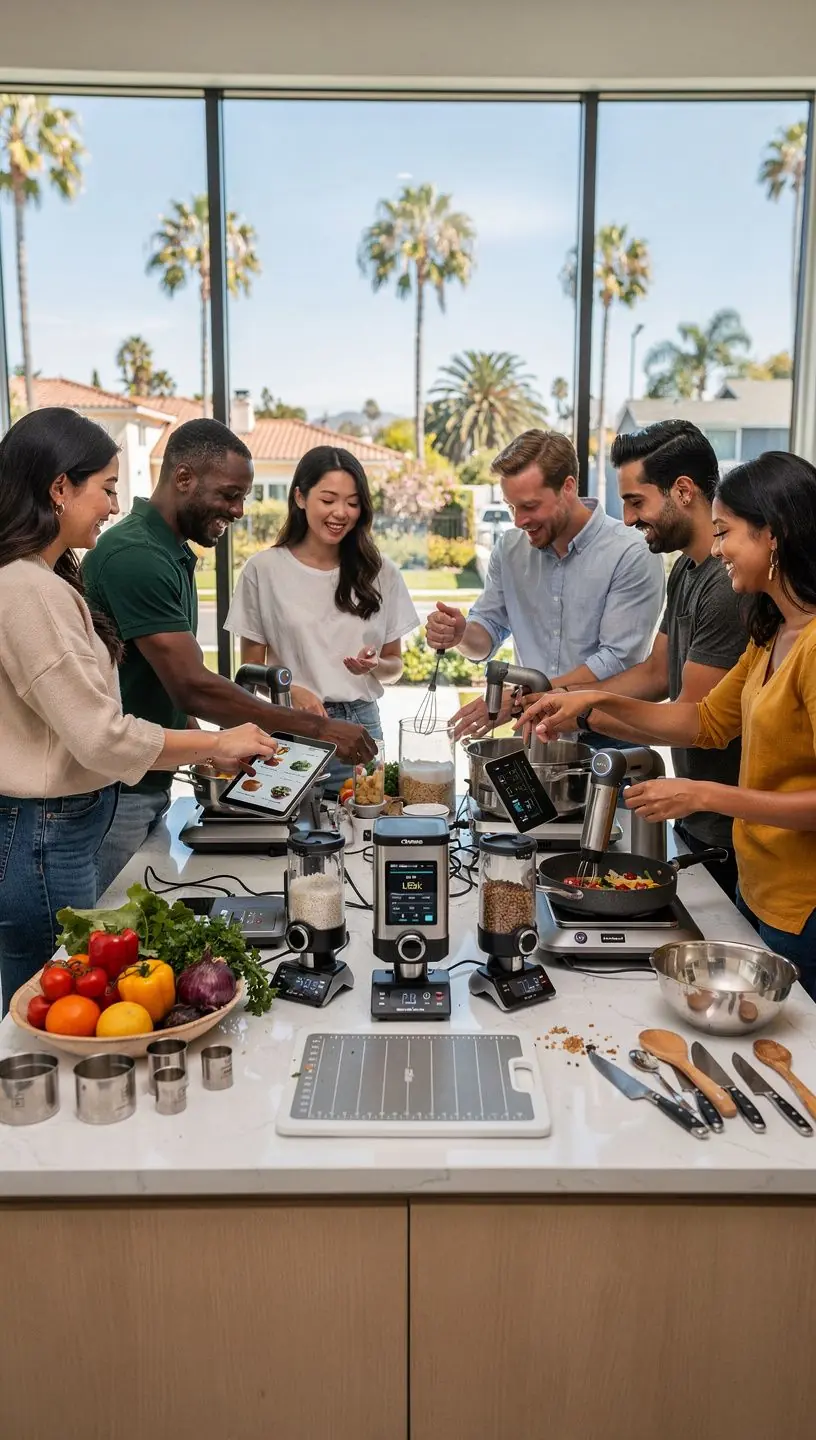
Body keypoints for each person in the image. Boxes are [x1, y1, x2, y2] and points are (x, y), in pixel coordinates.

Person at [0, 409, 278, 1010]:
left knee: (55, 1003)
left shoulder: (44, 580)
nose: (111, 504)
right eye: (105, 488)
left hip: (57, 826)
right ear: (58, 489)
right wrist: (216, 744)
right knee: (46, 1011)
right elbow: (99, 736)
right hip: (44, 832)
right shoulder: (27, 589)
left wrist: (202, 754)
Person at [528, 451, 816, 994]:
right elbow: (702, 721)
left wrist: (702, 793)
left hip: (805, 904)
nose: (720, 548)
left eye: (728, 533)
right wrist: (588, 701)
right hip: (760, 890)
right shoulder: (772, 632)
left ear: (772, 536)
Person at [83, 420, 377, 893]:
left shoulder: (168, 552)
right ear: (183, 479)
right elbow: (191, 686)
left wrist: (208, 751)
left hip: (142, 783)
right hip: (117, 793)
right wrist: (320, 729)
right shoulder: (136, 556)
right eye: (229, 495)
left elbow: (157, 683)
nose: (239, 510)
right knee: (95, 931)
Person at [519, 420, 746, 898]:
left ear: (682, 491)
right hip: (699, 821)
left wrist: (585, 710)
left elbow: (690, 721)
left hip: (732, 828)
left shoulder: (726, 588)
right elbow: (656, 673)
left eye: (636, 501)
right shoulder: (687, 568)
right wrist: (564, 698)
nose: (626, 519)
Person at [425, 429, 665, 741]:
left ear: (568, 487)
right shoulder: (509, 550)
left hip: (605, 733)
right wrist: (460, 634)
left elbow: (616, 661)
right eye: (511, 507)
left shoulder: (631, 553)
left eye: (529, 506)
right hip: (533, 733)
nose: (518, 521)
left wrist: (516, 702)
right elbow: (486, 632)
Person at [225, 445, 419, 789]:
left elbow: (395, 666)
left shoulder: (381, 572)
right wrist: (291, 691)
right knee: (288, 831)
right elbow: (249, 674)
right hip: (290, 724)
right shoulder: (263, 570)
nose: (341, 512)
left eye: (353, 502)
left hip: (360, 727)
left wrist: (374, 666)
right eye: (328, 500)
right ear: (300, 497)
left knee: (361, 830)